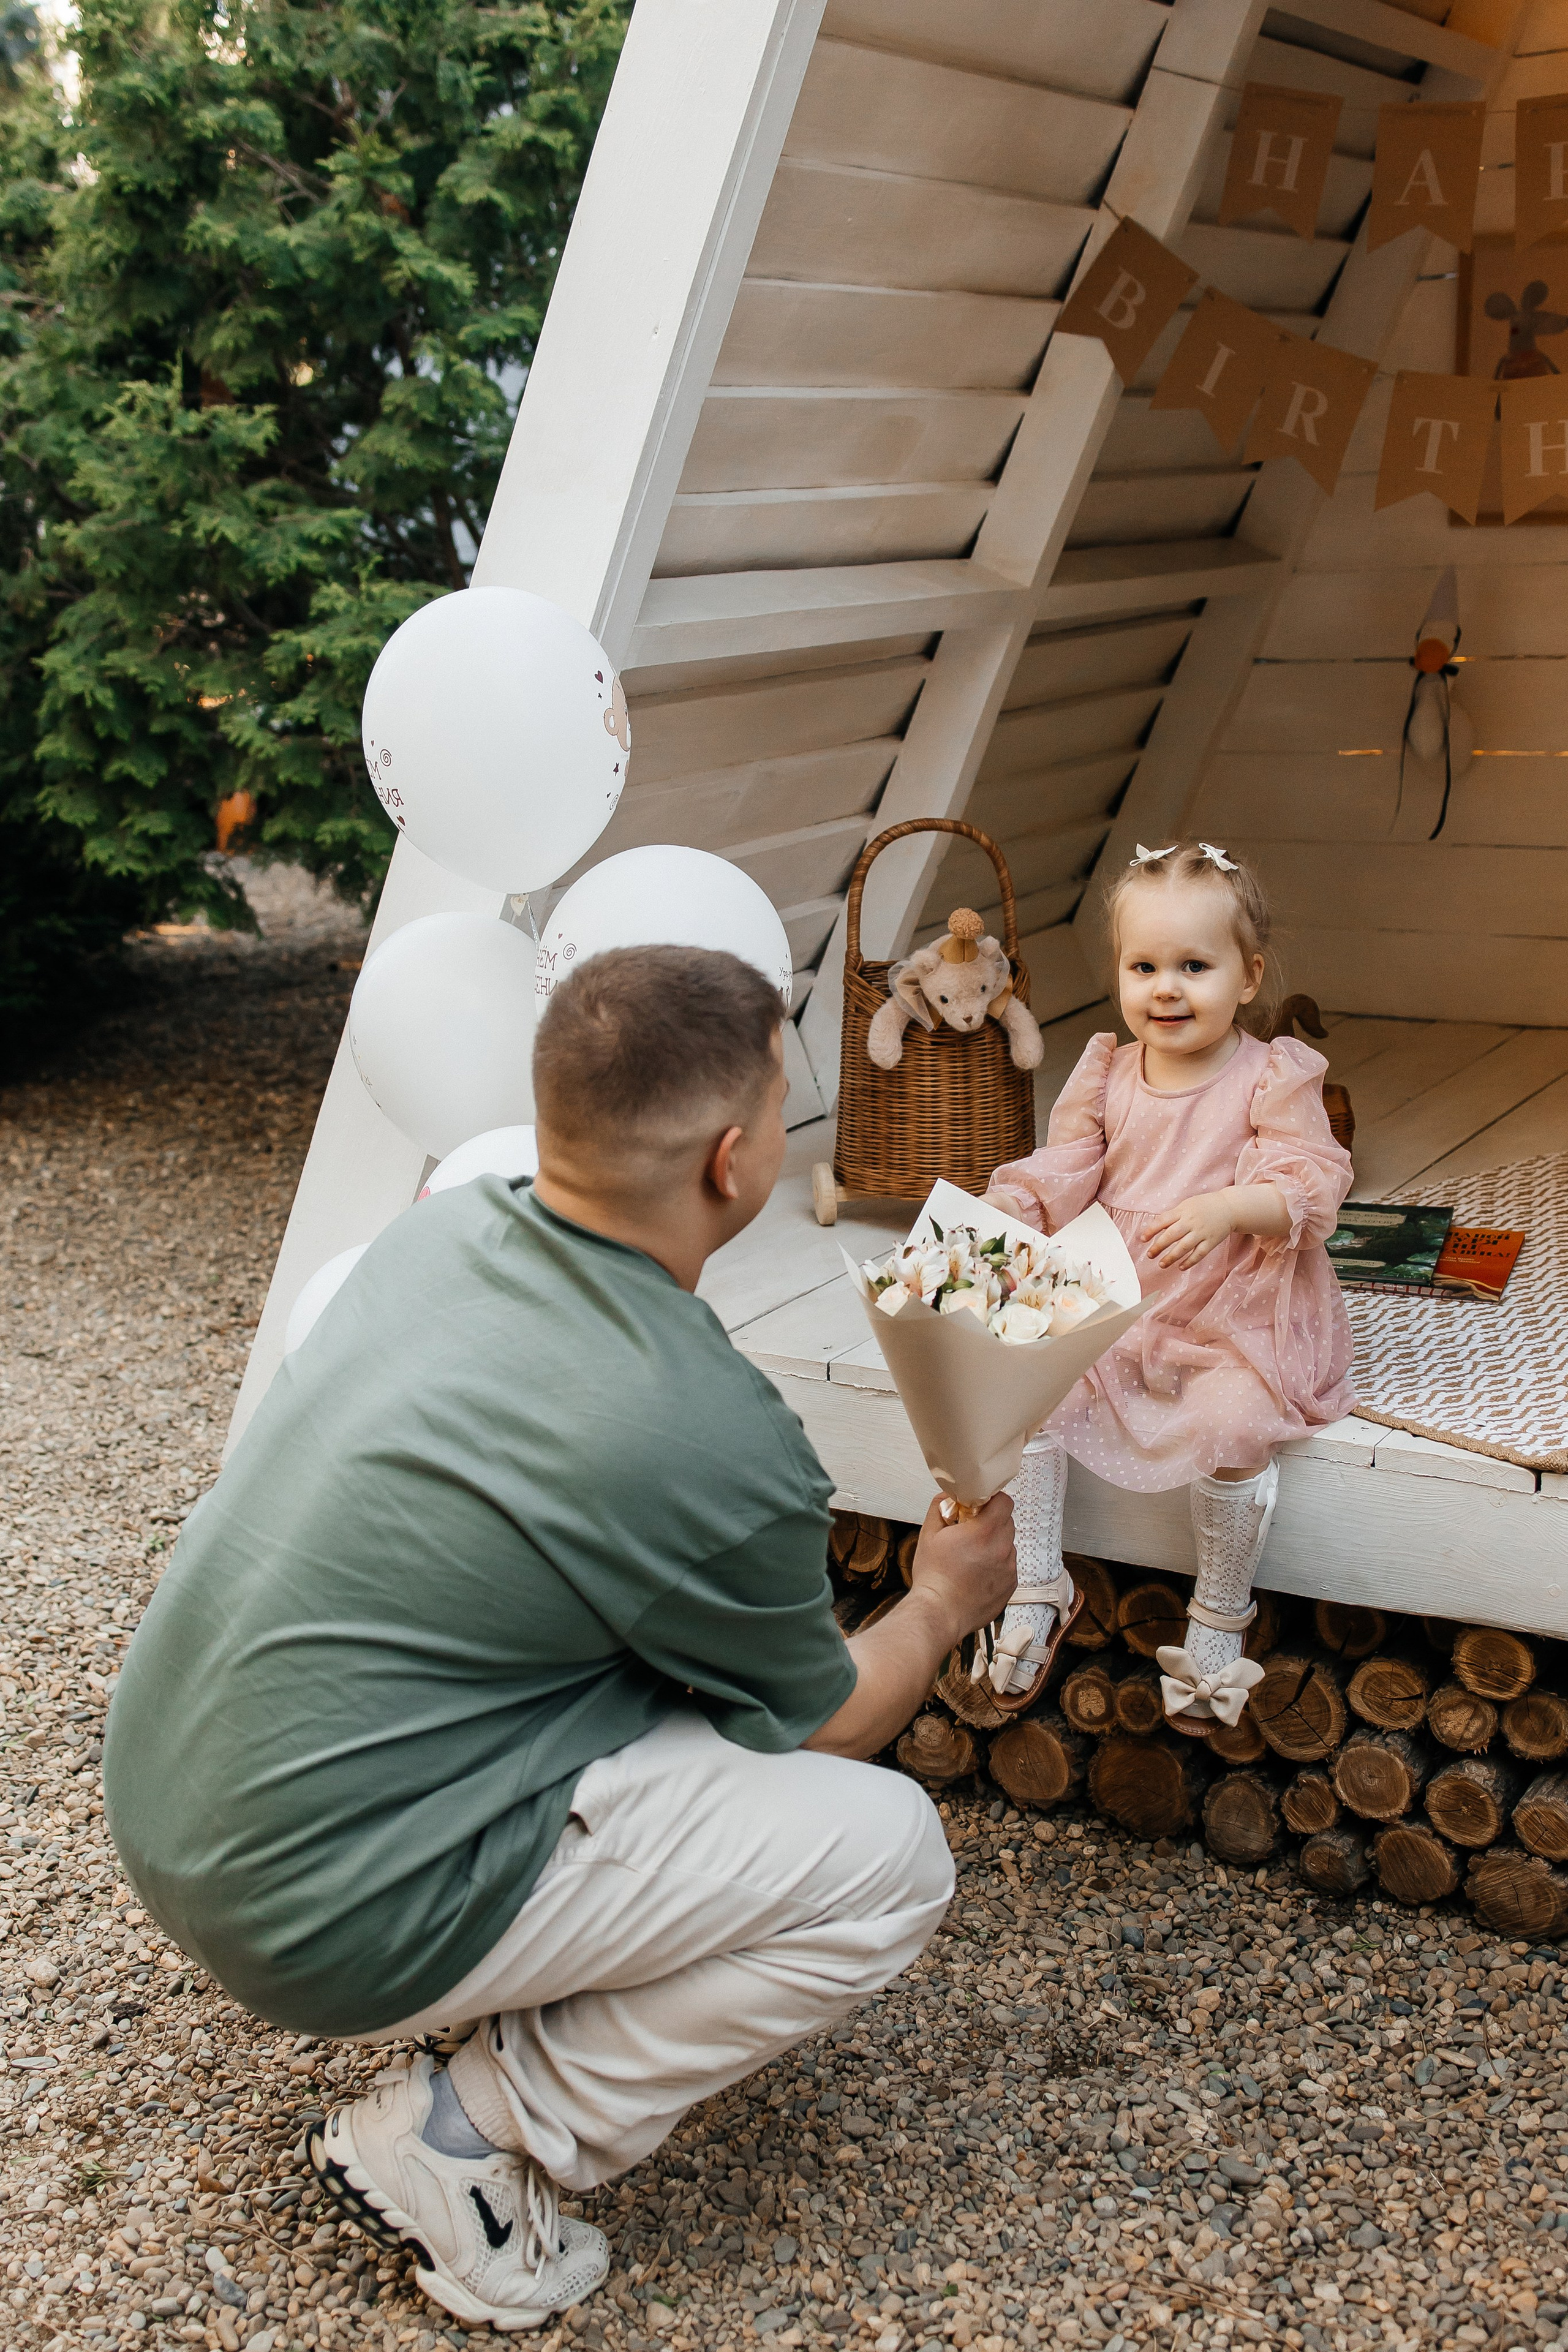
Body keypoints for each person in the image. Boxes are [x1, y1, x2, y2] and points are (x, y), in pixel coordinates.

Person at [102, 945, 1017, 2336]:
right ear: (731, 1160)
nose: (784, 1131)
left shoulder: (440, 1230)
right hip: (317, 1915)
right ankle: (461, 2139)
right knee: (885, 1858)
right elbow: (826, 1717)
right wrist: (945, 1599)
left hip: (170, 1799)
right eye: (783, 1106)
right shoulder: (705, 1438)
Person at [984, 842, 1354, 1730]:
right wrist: (1012, 1206)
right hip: (1123, 1285)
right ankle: (1039, 1579)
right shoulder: (1109, 1070)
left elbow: (1312, 1180)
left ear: (1249, 974)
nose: (1167, 988)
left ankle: (1220, 1612)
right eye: (1143, 965)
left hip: (1234, 1297)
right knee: (1027, 1373)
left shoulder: (1270, 1075)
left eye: (1195, 966)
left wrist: (1232, 1208)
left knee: (1234, 1420)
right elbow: (1067, 1164)